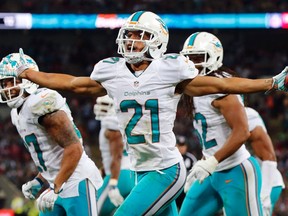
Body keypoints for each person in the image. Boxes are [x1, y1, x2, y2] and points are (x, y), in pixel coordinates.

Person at [0, 11, 287, 215]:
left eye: (140, 35)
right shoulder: (112, 70)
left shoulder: (170, 69)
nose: (132, 41)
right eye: (130, 35)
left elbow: (219, 83)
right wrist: (31, 75)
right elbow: (73, 83)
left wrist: (270, 82)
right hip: (140, 168)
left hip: (166, 169)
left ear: (157, 40)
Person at [0, 53, 103, 215]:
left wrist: (56, 186)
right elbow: (53, 156)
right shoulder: (16, 113)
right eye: (3, 83)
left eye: (11, 82)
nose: (7, 88)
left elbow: (74, 147)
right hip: (57, 183)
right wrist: (40, 180)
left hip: (77, 182)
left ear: (28, 81)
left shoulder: (40, 102)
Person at [179, 31, 263, 215]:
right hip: (212, 171)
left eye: (198, 58)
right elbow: (213, 134)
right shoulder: (193, 86)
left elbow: (242, 132)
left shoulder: (221, 87)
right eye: (189, 58)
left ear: (214, 57)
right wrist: (204, 161)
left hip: (236, 170)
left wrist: (212, 161)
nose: (193, 64)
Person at [94, 95, 135, 216]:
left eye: (106, 105)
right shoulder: (119, 123)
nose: (101, 108)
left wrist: (113, 182)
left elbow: (117, 157)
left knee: (93, 211)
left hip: (119, 175)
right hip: (129, 174)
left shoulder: (111, 124)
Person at [245, 107, 285, 216]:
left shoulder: (247, 115)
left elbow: (269, 157)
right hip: (249, 183)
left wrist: (264, 194)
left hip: (266, 181)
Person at [175, 135, 197, 209]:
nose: (181, 148)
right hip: (175, 188)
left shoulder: (191, 158)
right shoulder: (173, 159)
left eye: (183, 145)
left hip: (186, 188)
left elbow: (195, 174)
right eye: (179, 145)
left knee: (186, 208)